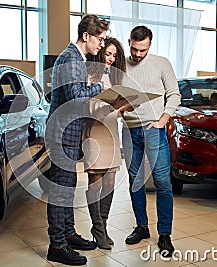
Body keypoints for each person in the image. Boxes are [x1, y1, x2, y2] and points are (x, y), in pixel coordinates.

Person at [45, 15, 110, 266]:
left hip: (68, 133)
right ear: (86, 36)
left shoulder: (75, 58)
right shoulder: (72, 58)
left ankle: (68, 234)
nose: (102, 45)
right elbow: (75, 98)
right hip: (62, 136)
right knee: (60, 191)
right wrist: (99, 87)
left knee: (68, 188)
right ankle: (57, 246)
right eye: (100, 39)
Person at [121, 25, 181, 257]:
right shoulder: (121, 64)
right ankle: (142, 227)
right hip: (130, 130)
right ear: (129, 43)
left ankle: (164, 234)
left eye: (142, 50)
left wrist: (164, 118)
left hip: (154, 130)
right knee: (135, 181)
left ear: (150, 45)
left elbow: (174, 93)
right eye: (135, 49)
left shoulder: (161, 63)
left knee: (162, 182)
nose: (137, 54)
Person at [83, 37, 134, 249]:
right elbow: (87, 107)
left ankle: (101, 226)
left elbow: (115, 108)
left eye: (114, 55)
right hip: (94, 131)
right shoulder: (88, 73)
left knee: (110, 182)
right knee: (95, 180)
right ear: (100, 52)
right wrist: (112, 107)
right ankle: (97, 225)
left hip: (112, 131)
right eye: (108, 54)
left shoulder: (114, 77)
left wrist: (125, 108)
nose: (111, 59)